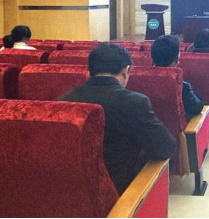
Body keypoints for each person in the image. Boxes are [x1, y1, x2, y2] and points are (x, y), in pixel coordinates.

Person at [57, 44, 177, 195]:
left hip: (71, 190)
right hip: (121, 191)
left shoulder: (62, 102)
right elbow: (165, 147)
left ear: (89, 70)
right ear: (126, 71)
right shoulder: (134, 102)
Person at [151, 35, 209, 142]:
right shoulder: (181, 85)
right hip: (177, 135)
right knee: (201, 107)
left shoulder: (139, 79)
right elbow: (197, 108)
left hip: (150, 130)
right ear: (177, 59)